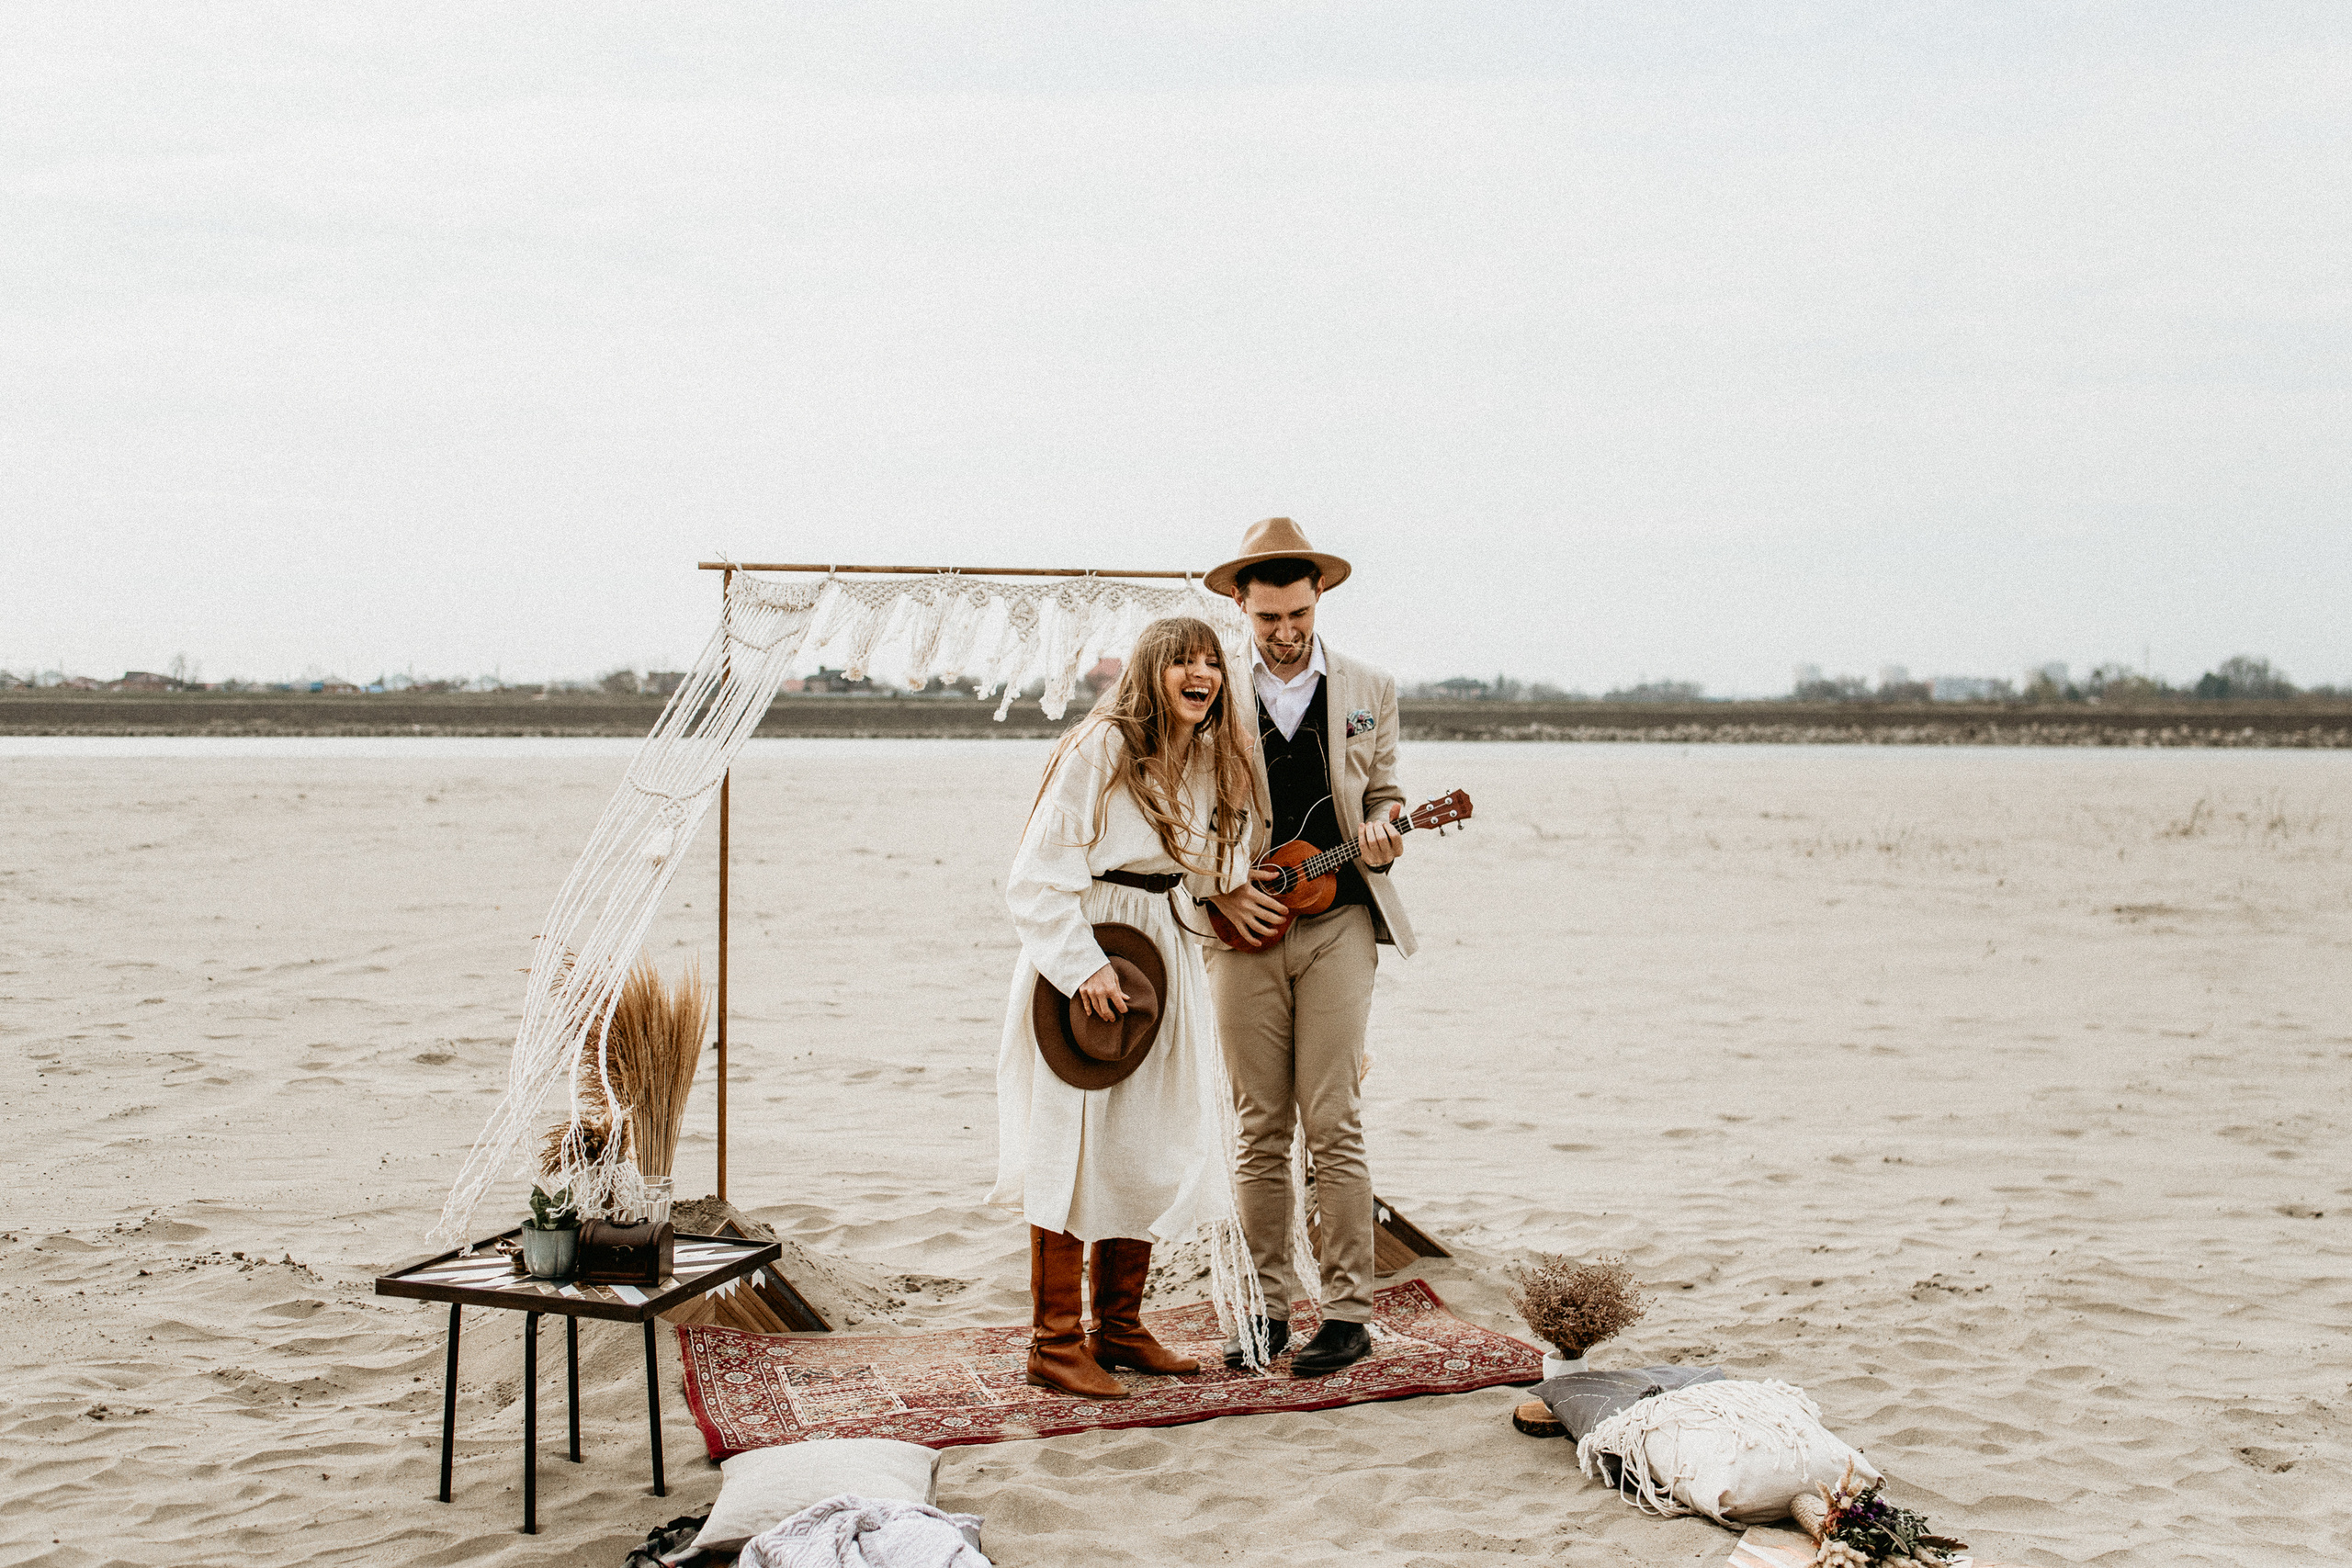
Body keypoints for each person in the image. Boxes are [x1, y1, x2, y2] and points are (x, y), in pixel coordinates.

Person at [989, 615, 1262, 1398]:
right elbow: (1034, 878)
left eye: (1212, 661)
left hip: (1163, 951)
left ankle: (1118, 1326)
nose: (1200, 673)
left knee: (1144, 1138)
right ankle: (1053, 1342)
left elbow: (1212, 871)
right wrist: (1082, 968)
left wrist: (1237, 879)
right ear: (1151, 671)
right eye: (1182, 660)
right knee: (1069, 1142)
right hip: (1091, 948)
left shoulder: (1210, 760)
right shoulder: (1101, 748)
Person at [1201, 517, 1418, 1378]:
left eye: (1299, 614)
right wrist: (1218, 889)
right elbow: (1177, 809)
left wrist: (1386, 826)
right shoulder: (1209, 689)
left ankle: (1349, 1313)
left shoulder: (1371, 684)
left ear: (1318, 598)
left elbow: (1390, 793)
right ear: (1241, 611)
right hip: (1241, 927)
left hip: (1340, 924)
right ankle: (1264, 1310)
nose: (1286, 633)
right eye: (1268, 620)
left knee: (1333, 1120)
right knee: (1259, 1126)